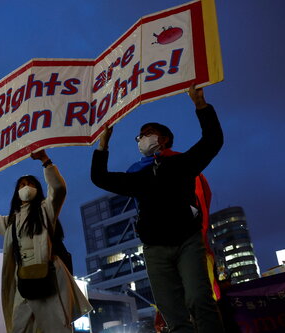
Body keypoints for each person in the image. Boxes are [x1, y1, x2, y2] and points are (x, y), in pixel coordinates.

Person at [90, 86, 224, 333]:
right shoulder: (136, 175)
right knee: (171, 310)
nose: (142, 139)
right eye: (140, 136)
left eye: (148, 133)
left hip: (187, 242)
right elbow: (100, 178)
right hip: (154, 248)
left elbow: (212, 141)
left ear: (164, 139)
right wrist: (103, 144)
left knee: (198, 299)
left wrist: (201, 106)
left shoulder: (181, 164)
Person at [0, 150, 92, 333]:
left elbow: (59, 189)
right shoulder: (10, 221)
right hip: (24, 277)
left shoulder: (46, 210)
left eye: (30, 184)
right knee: (20, 324)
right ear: (17, 193)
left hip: (49, 274)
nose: (26, 188)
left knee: (56, 325)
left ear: (38, 189)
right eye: (22, 185)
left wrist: (45, 161)